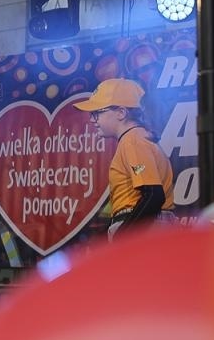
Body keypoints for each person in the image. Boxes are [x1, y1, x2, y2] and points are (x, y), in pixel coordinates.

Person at [73, 78, 175, 238]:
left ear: (121, 112)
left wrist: (124, 235)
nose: (92, 119)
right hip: (147, 224)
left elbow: (153, 194)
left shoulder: (133, 141)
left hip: (144, 228)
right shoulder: (137, 138)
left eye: (97, 112)